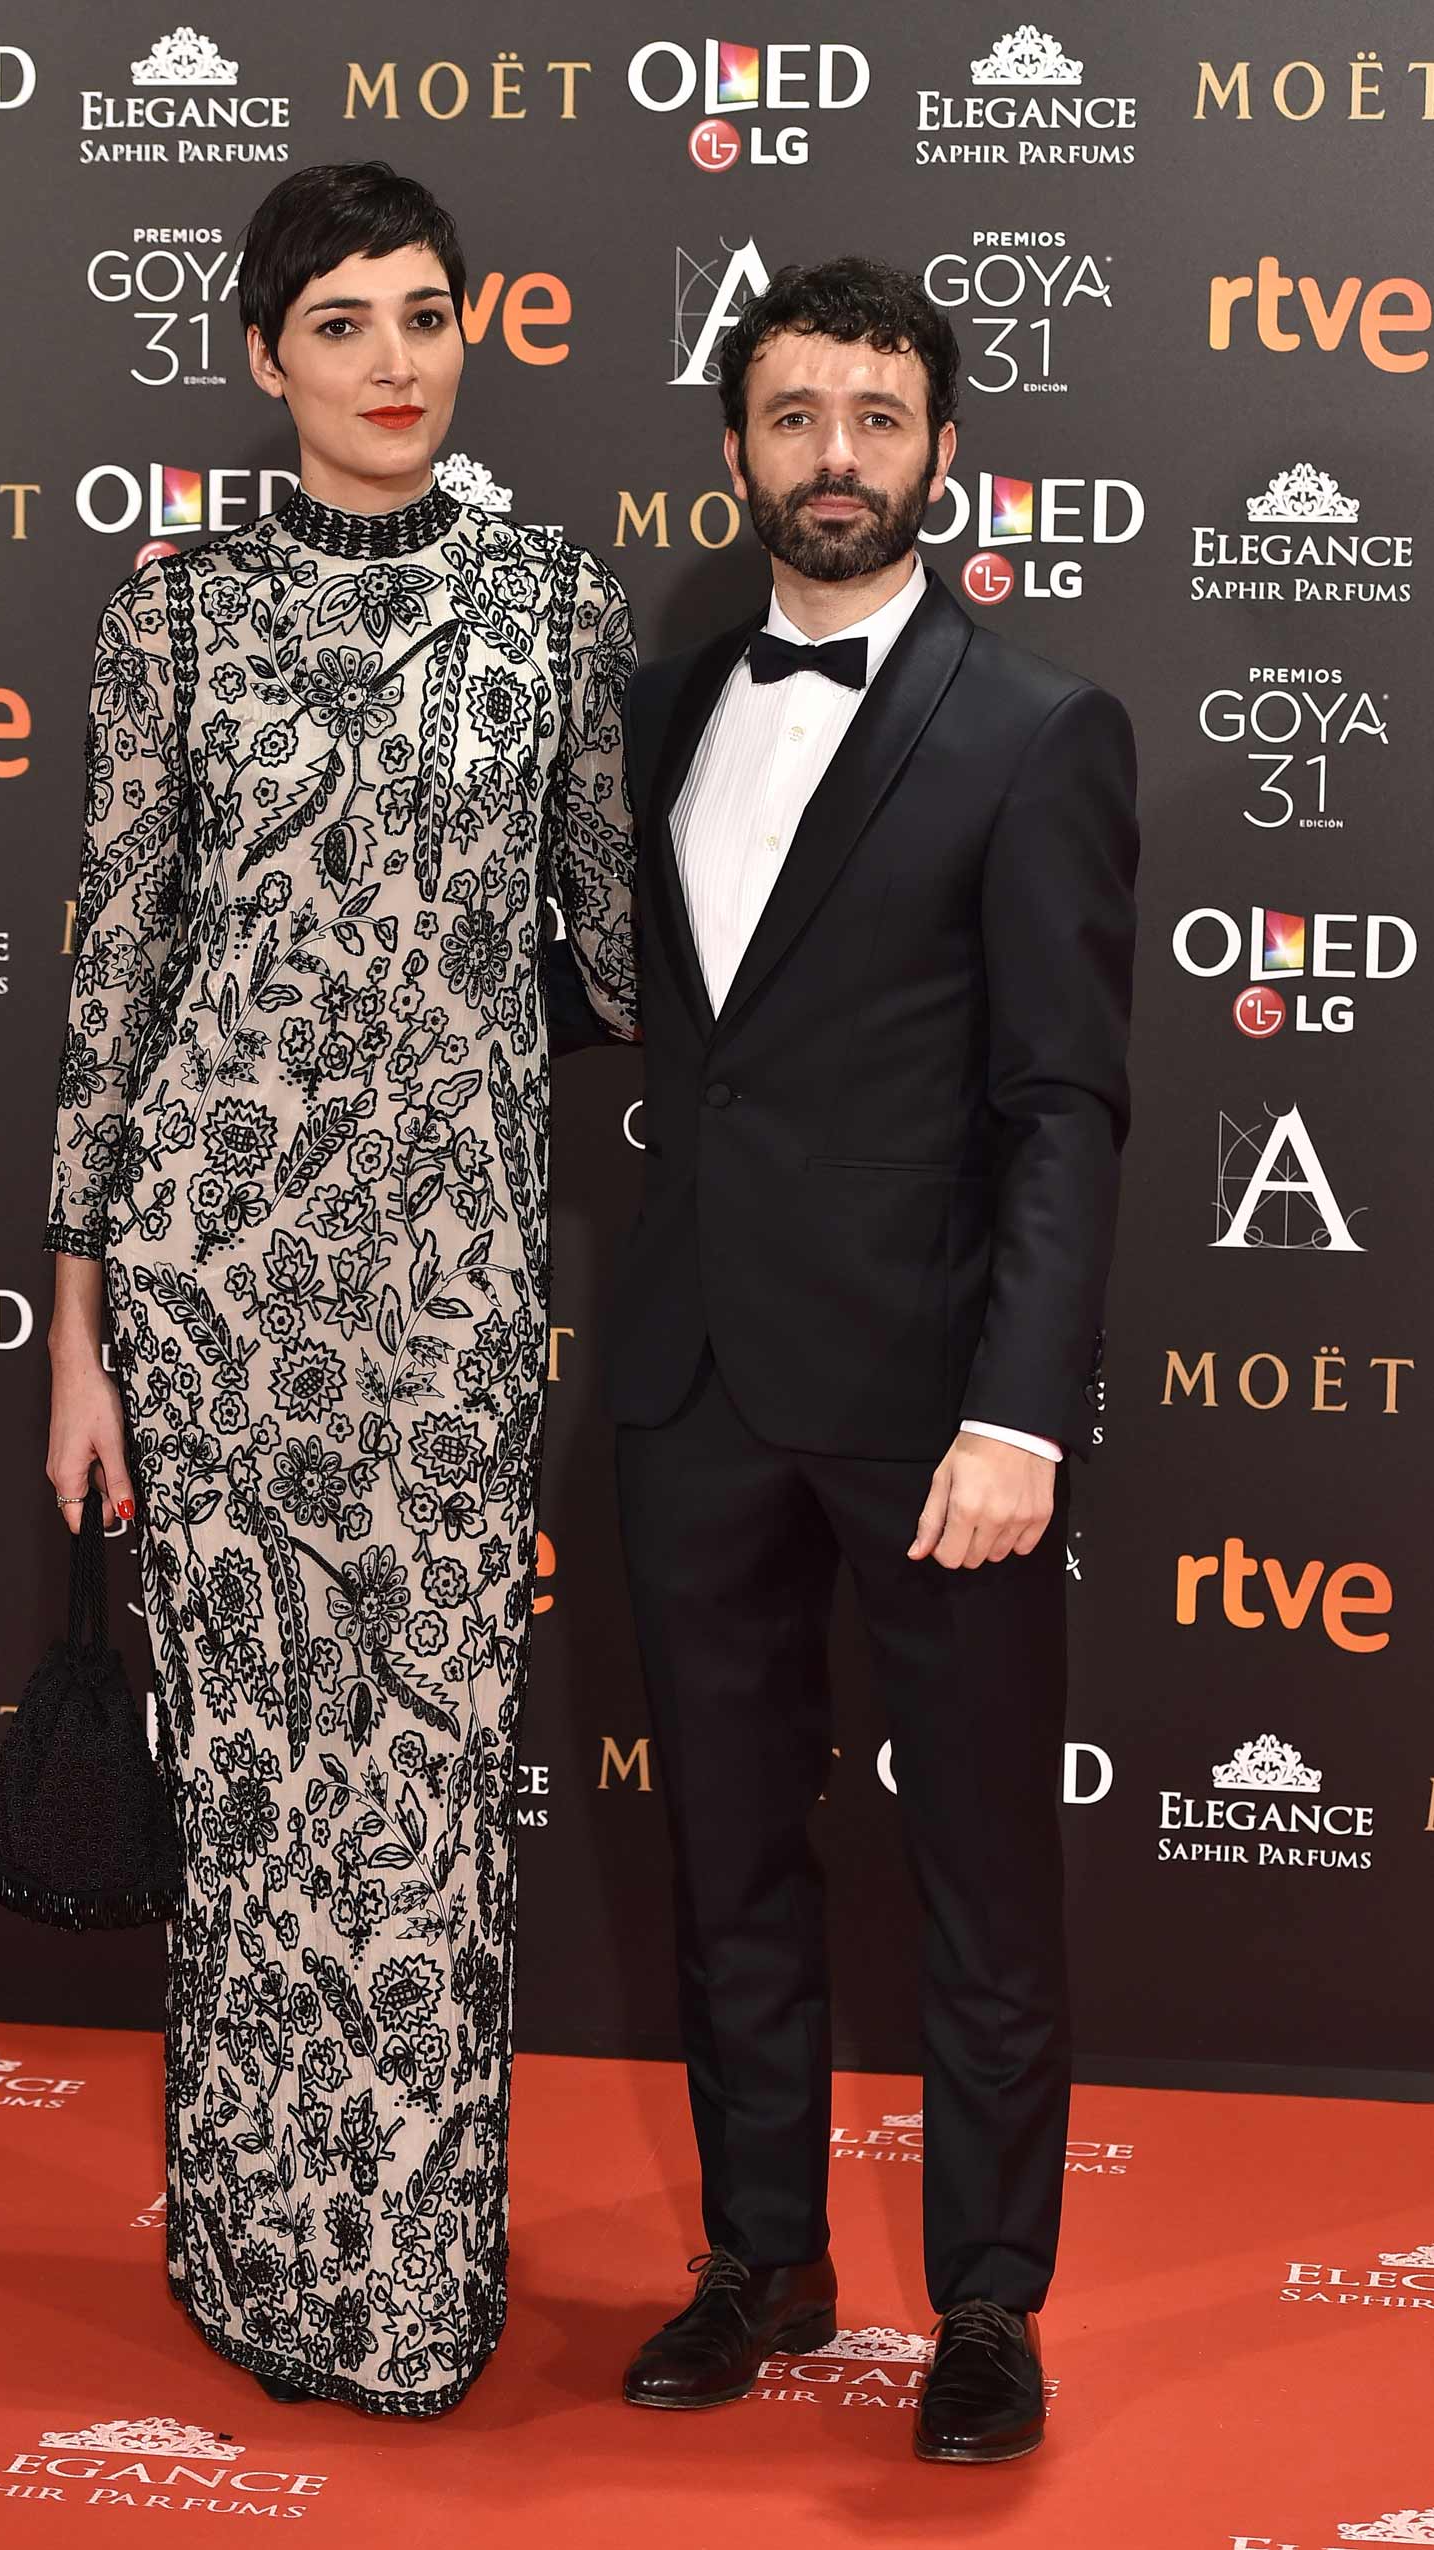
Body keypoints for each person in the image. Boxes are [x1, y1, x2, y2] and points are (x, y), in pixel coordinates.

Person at [42, 160, 637, 2416]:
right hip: (208, 1288)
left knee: (423, 1781)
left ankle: (406, 2292)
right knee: (257, 1795)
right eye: (345, 324)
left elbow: (606, 956)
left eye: (427, 314)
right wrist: (79, 1337)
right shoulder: (175, 616)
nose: (397, 359)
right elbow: (116, 986)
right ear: (267, 358)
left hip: (455, 1296)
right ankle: (249, 2256)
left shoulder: (548, 607)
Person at [607, 257, 1137, 2463]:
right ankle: (762, 2257)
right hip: (691, 1385)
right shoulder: (648, 705)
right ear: (733, 449)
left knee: (978, 1868)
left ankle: (991, 2305)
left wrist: (1019, 1408)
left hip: (937, 1410)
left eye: (877, 415)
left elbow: (1062, 1106)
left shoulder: (1035, 731)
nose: (836, 454)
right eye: (796, 412)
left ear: (939, 449)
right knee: (727, 1846)